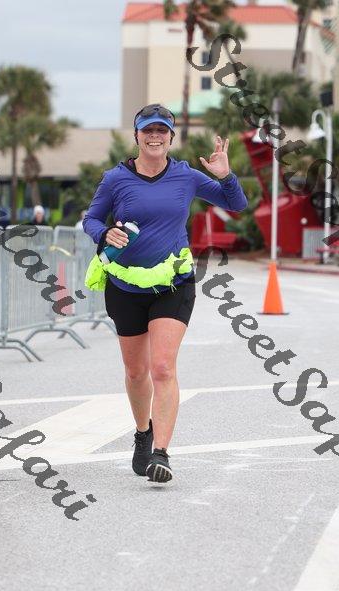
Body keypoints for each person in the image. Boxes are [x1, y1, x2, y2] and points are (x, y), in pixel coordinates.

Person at [83, 103, 248, 483]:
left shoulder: (186, 176)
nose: (155, 137)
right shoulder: (115, 179)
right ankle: (143, 433)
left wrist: (226, 176)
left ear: (171, 137)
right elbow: (90, 218)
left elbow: (236, 204)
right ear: (137, 136)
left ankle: (161, 452)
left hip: (173, 283)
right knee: (135, 371)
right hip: (124, 284)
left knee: (162, 367)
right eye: (148, 130)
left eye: (162, 130)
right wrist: (104, 233)